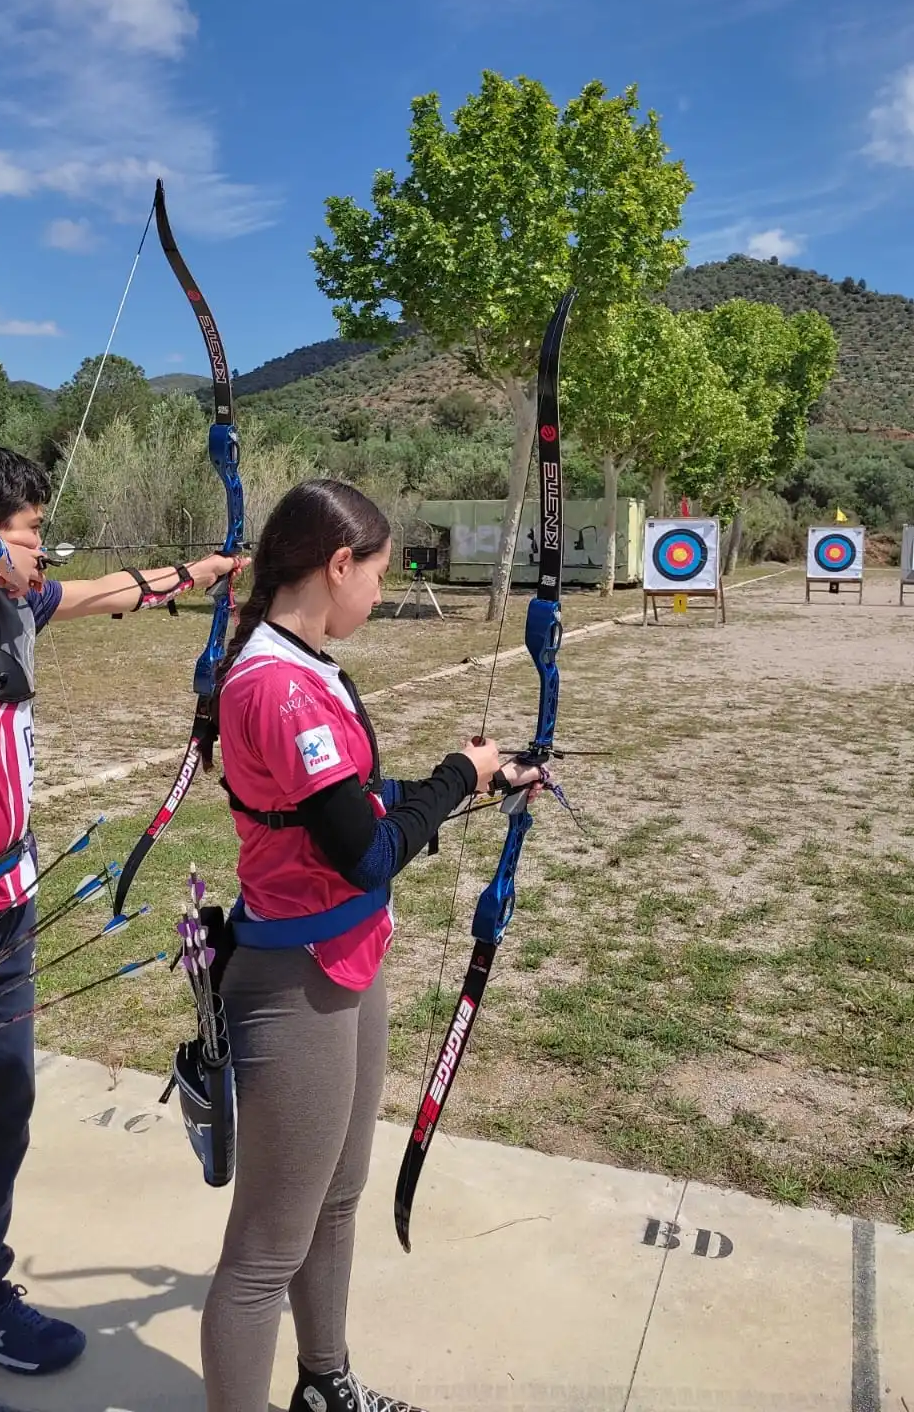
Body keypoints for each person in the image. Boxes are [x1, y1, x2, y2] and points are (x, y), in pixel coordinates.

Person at [0, 439, 244, 1412]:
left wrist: (210, 572)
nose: (43, 561)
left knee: (2, 1111)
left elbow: (115, 591)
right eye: (29, 539)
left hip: (8, 912)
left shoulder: (12, 611)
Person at [198, 478, 541, 1412]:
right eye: (378, 574)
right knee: (266, 1248)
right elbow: (366, 856)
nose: (381, 593)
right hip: (295, 981)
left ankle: (324, 1384)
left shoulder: (305, 665)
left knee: (339, 1196)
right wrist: (451, 775)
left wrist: (480, 780)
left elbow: (348, 803)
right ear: (337, 564)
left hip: (347, 962)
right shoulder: (278, 685)